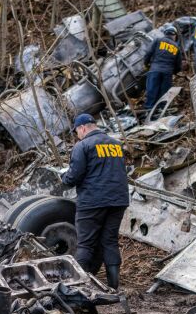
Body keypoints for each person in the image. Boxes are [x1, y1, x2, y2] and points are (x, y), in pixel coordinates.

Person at [61, 113, 129, 289]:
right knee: (110, 241)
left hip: (92, 201)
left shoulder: (83, 146)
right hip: (118, 201)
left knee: (85, 244)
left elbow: (73, 176)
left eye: (77, 131)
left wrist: (63, 177)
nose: (77, 135)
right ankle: (114, 287)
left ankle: (80, 288)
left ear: (82, 128)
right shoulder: (116, 145)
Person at [144, 25, 182, 110]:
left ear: (165, 33)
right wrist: (174, 72)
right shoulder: (176, 47)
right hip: (167, 73)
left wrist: (146, 64)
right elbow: (178, 65)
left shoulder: (158, 41)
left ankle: (148, 109)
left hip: (154, 70)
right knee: (164, 93)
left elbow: (148, 53)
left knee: (152, 90)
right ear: (174, 35)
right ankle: (161, 110)